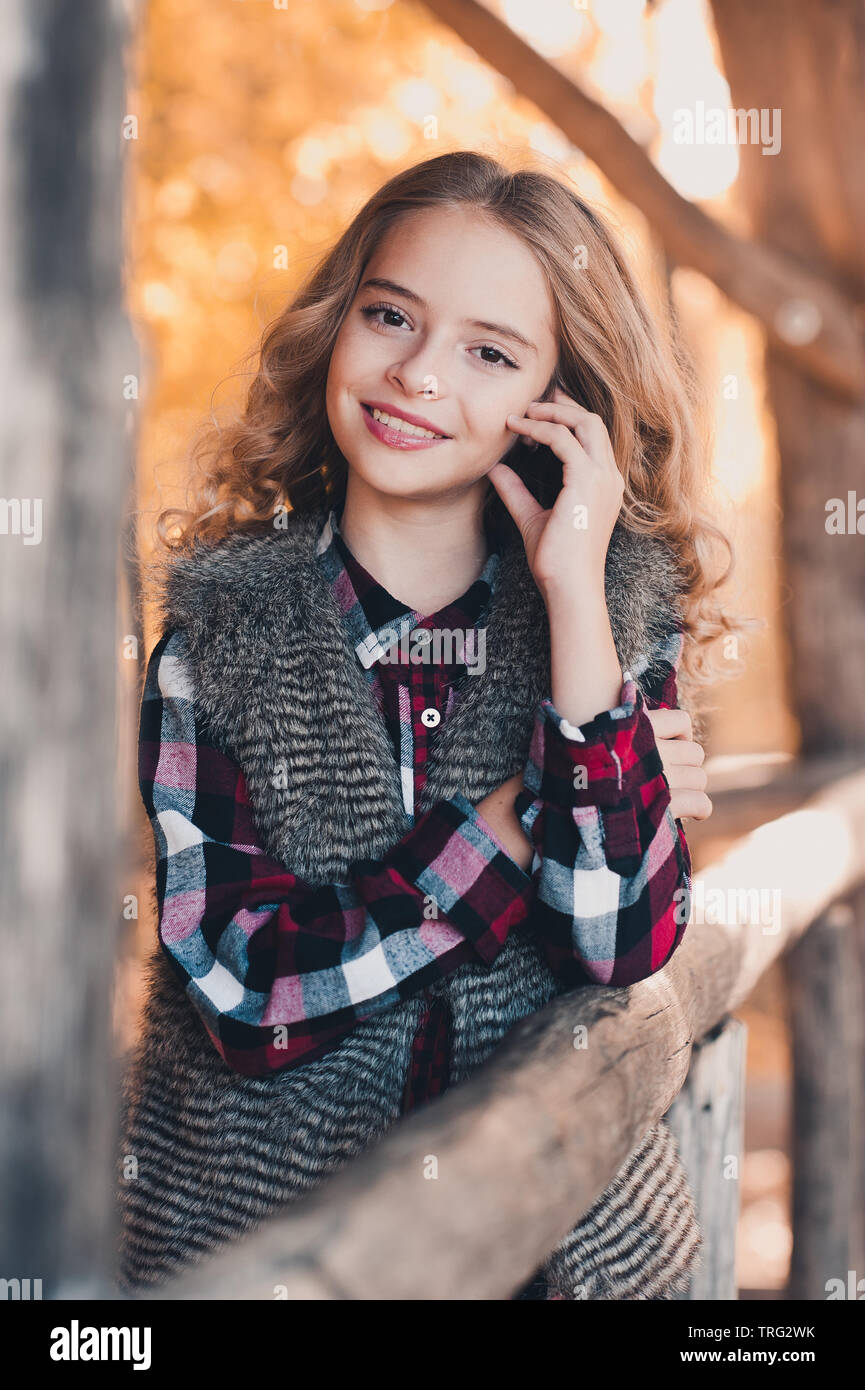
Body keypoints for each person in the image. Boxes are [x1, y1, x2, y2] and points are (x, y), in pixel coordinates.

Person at [117, 149, 738, 1300]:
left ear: (560, 409)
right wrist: (510, 825)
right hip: (274, 1257)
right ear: (336, 324)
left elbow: (615, 942)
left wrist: (572, 596)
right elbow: (246, 993)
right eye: (390, 315)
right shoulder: (217, 635)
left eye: (488, 352)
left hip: (557, 1258)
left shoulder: (607, 625)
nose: (415, 374)